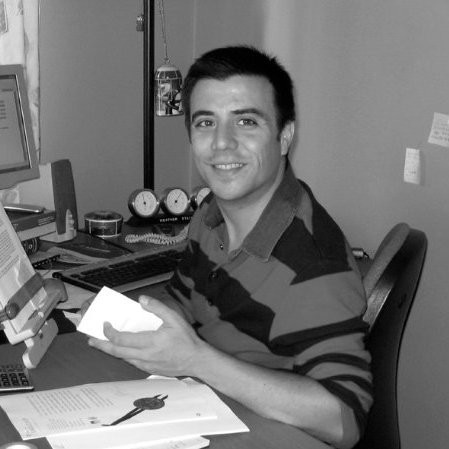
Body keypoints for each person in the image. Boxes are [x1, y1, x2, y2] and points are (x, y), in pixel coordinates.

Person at [88, 45, 372, 449]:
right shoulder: (211, 213)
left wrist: (196, 359)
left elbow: (343, 420)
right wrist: (113, 313)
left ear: (284, 136)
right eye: (206, 122)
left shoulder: (312, 264)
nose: (222, 143)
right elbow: (183, 301)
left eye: (246, 122)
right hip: (210, 409)